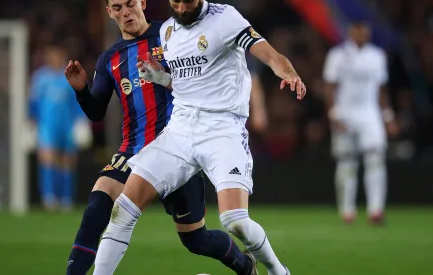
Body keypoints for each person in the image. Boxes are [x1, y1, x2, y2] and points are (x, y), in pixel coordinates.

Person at [93, 1, 306, 275]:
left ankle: (278, 271)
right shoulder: (168, 31)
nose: (181, 7)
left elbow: (269, 54)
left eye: (187, 1)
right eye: (175, 2)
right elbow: (183, 83)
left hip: (222, 129)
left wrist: (287, 71)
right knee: (123, 209)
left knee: (235, 220)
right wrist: (160, 76)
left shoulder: (225, 18)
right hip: (180, 130)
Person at [65, 0, 257, 274]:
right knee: (97, 205)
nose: (125, 12)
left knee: (196, 239)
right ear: (110, 13)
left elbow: (201, 80)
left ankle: (244, 264)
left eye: (130, 4)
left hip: (178, 147)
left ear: (142, 3)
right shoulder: (110, 59)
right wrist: (82, 90)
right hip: (133, 150)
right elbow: (96, 112)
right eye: (117, 7)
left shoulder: (171, 35)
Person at [322, 20, 398, 225]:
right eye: (358, 30)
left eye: (366, 30)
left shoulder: (377, 56)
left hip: (370, 113)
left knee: (375, 159)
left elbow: (381, 89)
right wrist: (334, 114)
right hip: (345, 112)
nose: (363, 34)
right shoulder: (338, 55)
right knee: (347, 161)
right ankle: (347, 211)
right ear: (351, 31)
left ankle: (376, 210)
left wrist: (388, 116)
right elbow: (329, 86)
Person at [29, 45, 88, 211]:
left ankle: (66, 199)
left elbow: (78, 101)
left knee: (67, 162)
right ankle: (49, 198)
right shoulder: (40, 78)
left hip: (67, 125)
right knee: (48, 160)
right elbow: (33, 103)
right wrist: (32, 122)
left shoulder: (68, 77)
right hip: (47, 126)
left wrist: (81, 122)